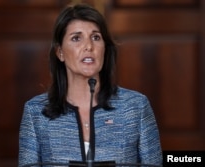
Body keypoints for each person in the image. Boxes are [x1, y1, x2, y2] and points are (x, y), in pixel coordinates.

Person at [19, 3, 162, 167]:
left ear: (105, 49)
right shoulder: (36, 112)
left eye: (96, 37)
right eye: (76, 38)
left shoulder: (136, 106)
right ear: (60, 52)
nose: (88, 46)